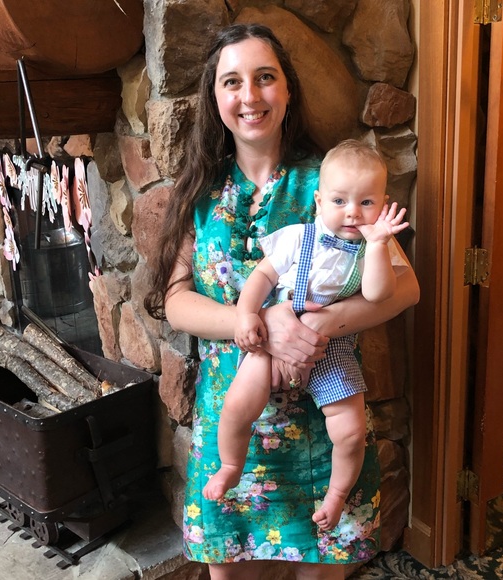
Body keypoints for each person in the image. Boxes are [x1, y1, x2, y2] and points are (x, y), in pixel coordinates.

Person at [145, 23, 420, 580]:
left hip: (323, 424)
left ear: (288, 88)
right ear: (215, 96)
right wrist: (258, 323)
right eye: (232, 81)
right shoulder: (197, 192)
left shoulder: (333, 182)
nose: (250, 95)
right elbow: (176, 303)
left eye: (265, 77)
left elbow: (406, 287)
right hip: (231, 424)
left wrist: (318, 323)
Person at [203, 140, 410, 534]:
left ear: (383, 205)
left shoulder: (374, 249)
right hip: (272, 339)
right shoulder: (299, 237)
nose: (352, 211)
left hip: (332, 349)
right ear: (319, 201)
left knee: (350, 431)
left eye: (366, 202)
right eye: (339, 200)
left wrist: (379, 245)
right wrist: (247, 315)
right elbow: (262, 276)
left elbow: (378, 294)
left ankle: (336, 494)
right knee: (239, 403)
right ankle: (230, 464)